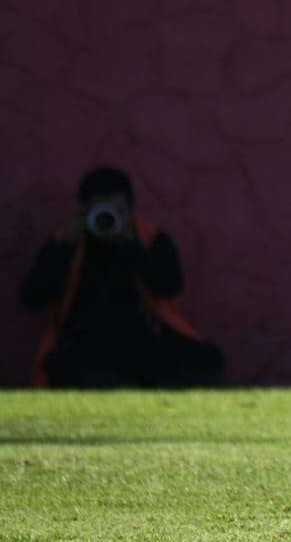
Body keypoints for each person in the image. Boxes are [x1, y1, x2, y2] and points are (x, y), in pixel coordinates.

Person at [22, 166, 224, 389]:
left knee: (206, 359)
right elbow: (31, 298)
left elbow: (170, 287)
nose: (108, 218)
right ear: (84, 210)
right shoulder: (64, 241)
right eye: (101, 210)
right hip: (83, 344)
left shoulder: (150, 238)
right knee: (64, 366)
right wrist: (64, 248)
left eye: (118, 211)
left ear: (129, 210)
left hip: (142, 342)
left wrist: (130, 245)